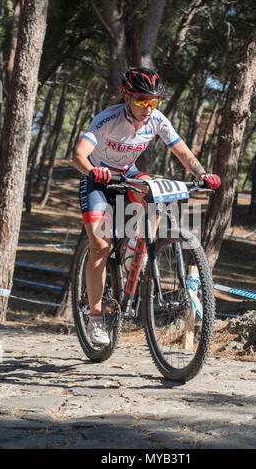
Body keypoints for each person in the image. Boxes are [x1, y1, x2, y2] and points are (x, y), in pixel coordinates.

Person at [72, 67, 221, 346]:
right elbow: (79, 155)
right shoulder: (108, 119)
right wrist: (93, 170)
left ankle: (135, 254)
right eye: (142, 101)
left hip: (127, 173)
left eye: (154, 101)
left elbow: (183, 152)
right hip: (98, 179)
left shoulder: (157, 121)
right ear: (126, 96)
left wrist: (202, 174)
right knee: (101, 247)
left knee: (153, 190)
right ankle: (94, 318)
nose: (148, 108)